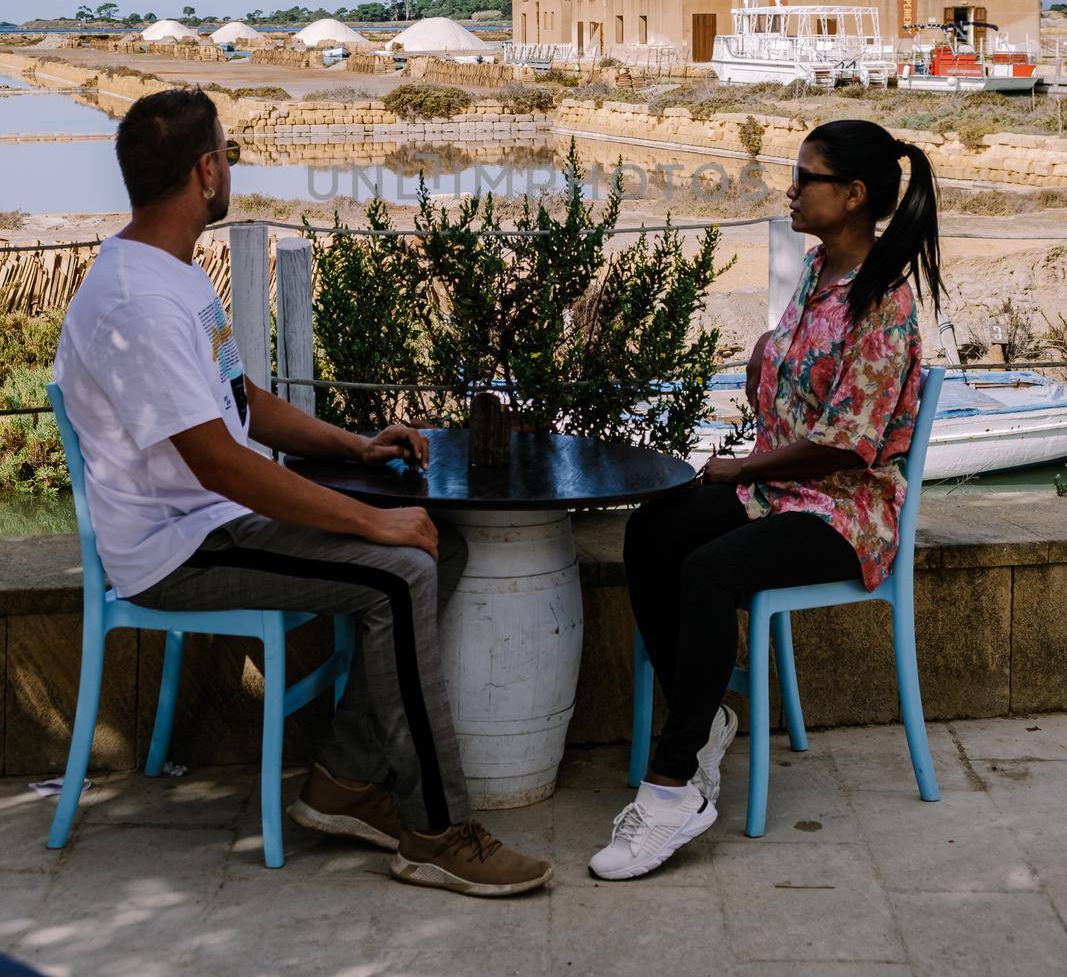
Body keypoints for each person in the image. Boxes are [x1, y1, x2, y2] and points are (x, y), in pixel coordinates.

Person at [54, 88, 551, 897]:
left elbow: (244, 403)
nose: (231, 169)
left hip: (219, 520)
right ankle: (434, 831)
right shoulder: (137, 300)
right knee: (402, 570)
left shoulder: (172, 275)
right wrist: (373, 525)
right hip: (182, 548)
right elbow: (221, 462)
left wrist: (355, 444)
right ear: (206, 170)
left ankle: (344, 782)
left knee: (439, 546)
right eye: (230, 155)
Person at [589, 119, 943, 881]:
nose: (790, 187)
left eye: (805, 176)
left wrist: (739, 471)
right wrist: (766, 352)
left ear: (851, 196)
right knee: (652, 531)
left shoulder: (884, 302)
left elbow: (848, 443)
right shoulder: (820, 272)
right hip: (781, 492)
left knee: (709, 571)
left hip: (845, 512)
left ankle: (672, 785)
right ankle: (707, 715)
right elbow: (799, 377)